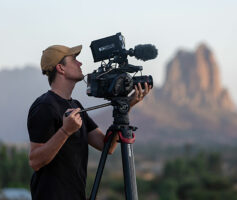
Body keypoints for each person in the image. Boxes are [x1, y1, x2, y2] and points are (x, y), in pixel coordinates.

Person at [27, 44, 151, 200]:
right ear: (61, 68)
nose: (80, 63)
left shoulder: (75, 106)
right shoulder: (44, 106)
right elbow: (35, 161)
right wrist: (65, 131)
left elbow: (107, 146)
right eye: (74, 60)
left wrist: (127, 107)